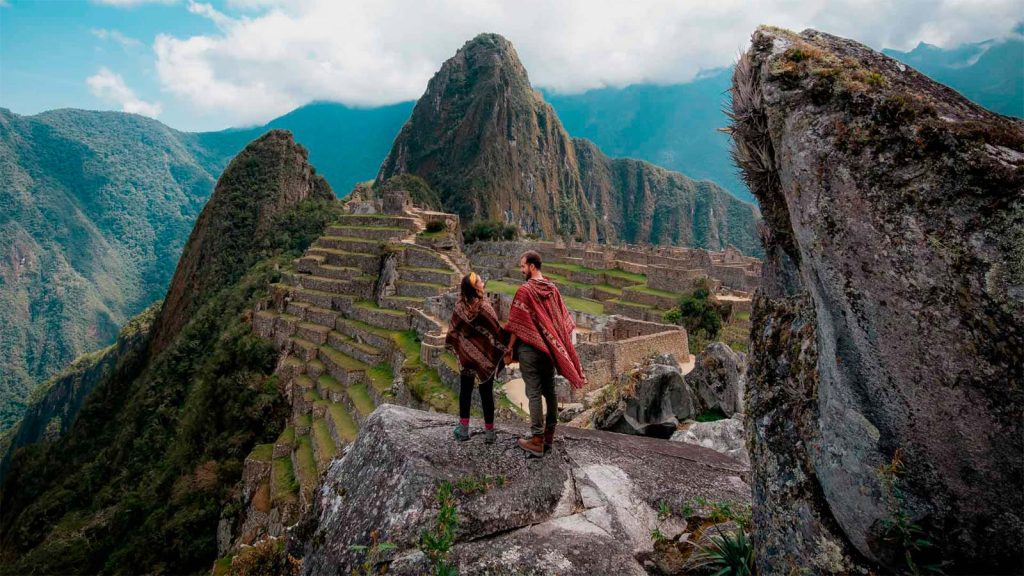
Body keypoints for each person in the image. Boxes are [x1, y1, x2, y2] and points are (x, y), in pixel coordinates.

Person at [504, 250, 586, 456]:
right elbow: (562, 322)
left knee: (533, 392)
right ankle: (549, 437)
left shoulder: (525, 291)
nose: (521, 270)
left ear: (532, 266)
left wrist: (508, 349)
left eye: (523, 266)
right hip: (549, 350)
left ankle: (537, 439)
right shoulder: (553, 290)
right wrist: (555, 342)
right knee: (549, 391)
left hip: (529, 350)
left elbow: (515, 324)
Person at [444, 272, 507, 444]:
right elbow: (497, 332)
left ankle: (463, 429)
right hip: (484, 359)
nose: (482, 282)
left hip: (466, 357)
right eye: (480, 280)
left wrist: (463, 346)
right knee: (486, 393)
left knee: (465, 391)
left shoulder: (459, 307)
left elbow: (453, 331)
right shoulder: (485, 308)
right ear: (475, 287)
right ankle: (489, 433)